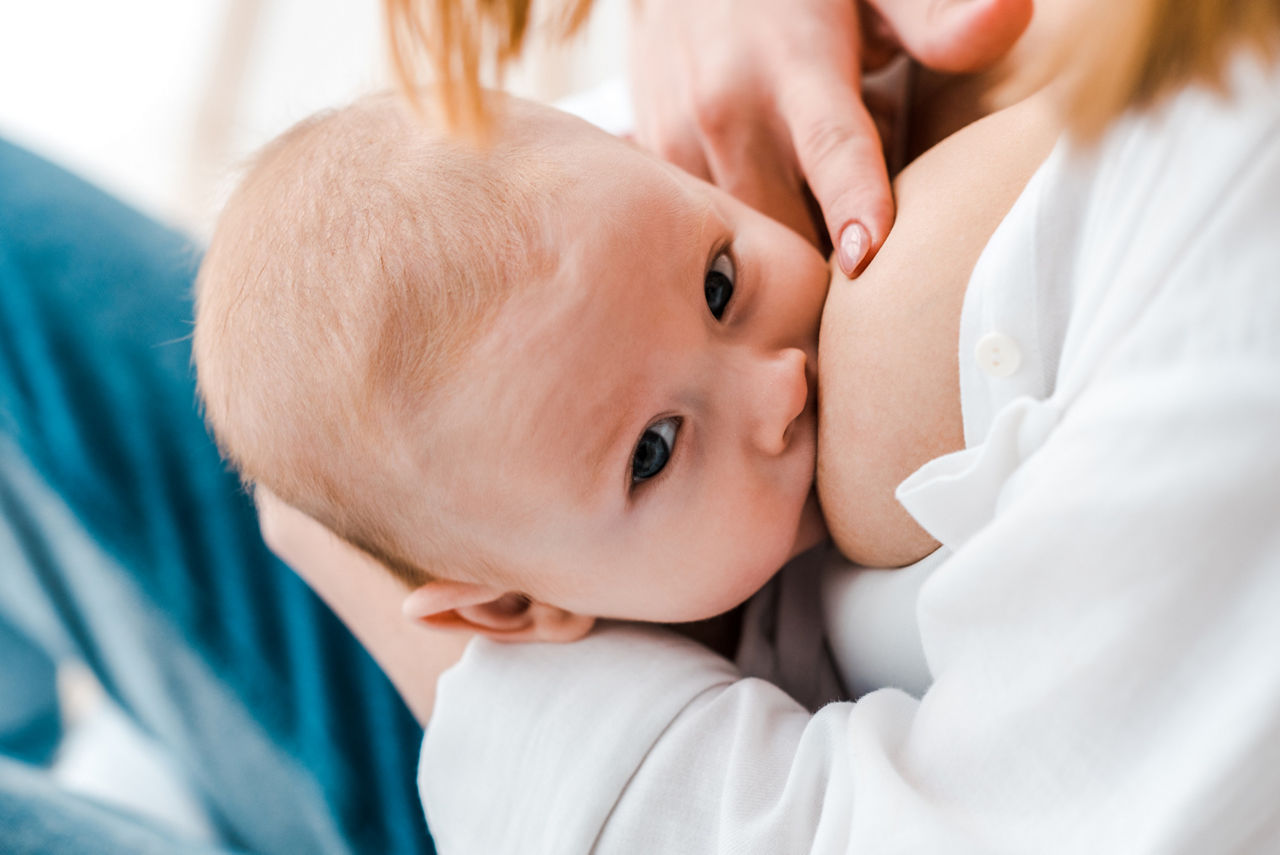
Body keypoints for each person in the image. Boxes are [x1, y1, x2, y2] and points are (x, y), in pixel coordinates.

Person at [263, 0, 1280, 851]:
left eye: (719, 285)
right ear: (508, 609)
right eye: (652, 453)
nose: (777, 389)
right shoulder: (564, 333)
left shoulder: (1223, 223)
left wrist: (475, 685)